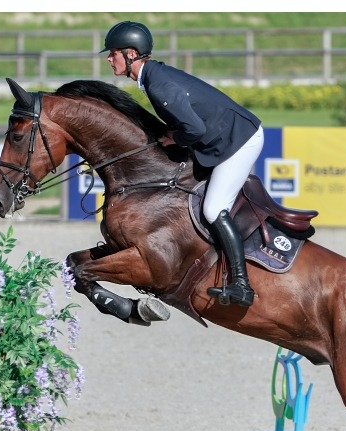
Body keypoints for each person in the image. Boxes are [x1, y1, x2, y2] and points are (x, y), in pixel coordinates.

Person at [101, 20, 264, 308]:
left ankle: (242, 284)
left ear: (130, 53)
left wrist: (174, 138)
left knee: (214, 209)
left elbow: (194, 130)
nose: (108, 58)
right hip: (223, 137)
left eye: (112, 53)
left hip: (239, 141)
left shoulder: (158, 84)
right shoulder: (152, 77)